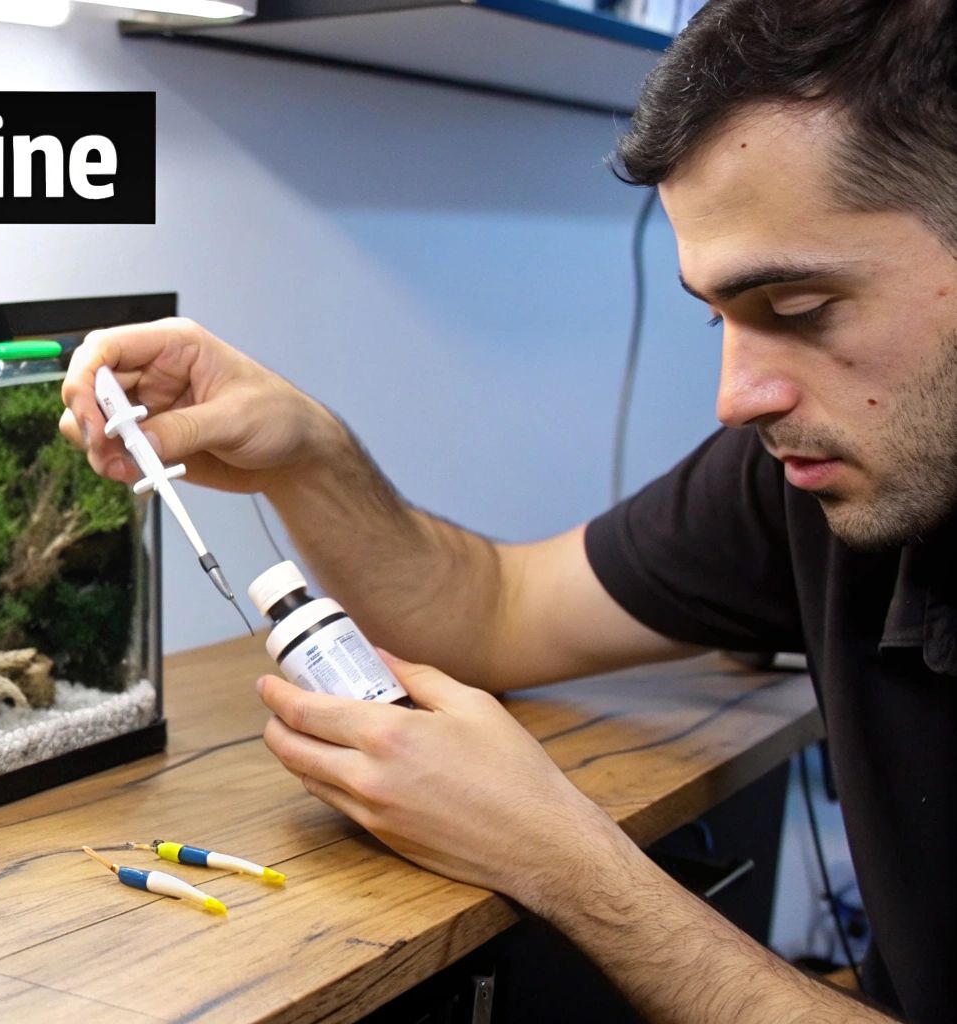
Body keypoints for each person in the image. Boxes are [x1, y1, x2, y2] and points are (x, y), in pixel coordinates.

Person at [60, 1, 955, 1020]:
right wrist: (306, 454)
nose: (734, 396)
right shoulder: (805, 474)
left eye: (797, 310)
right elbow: (497, 610)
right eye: (714, 316)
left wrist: (560, 855)